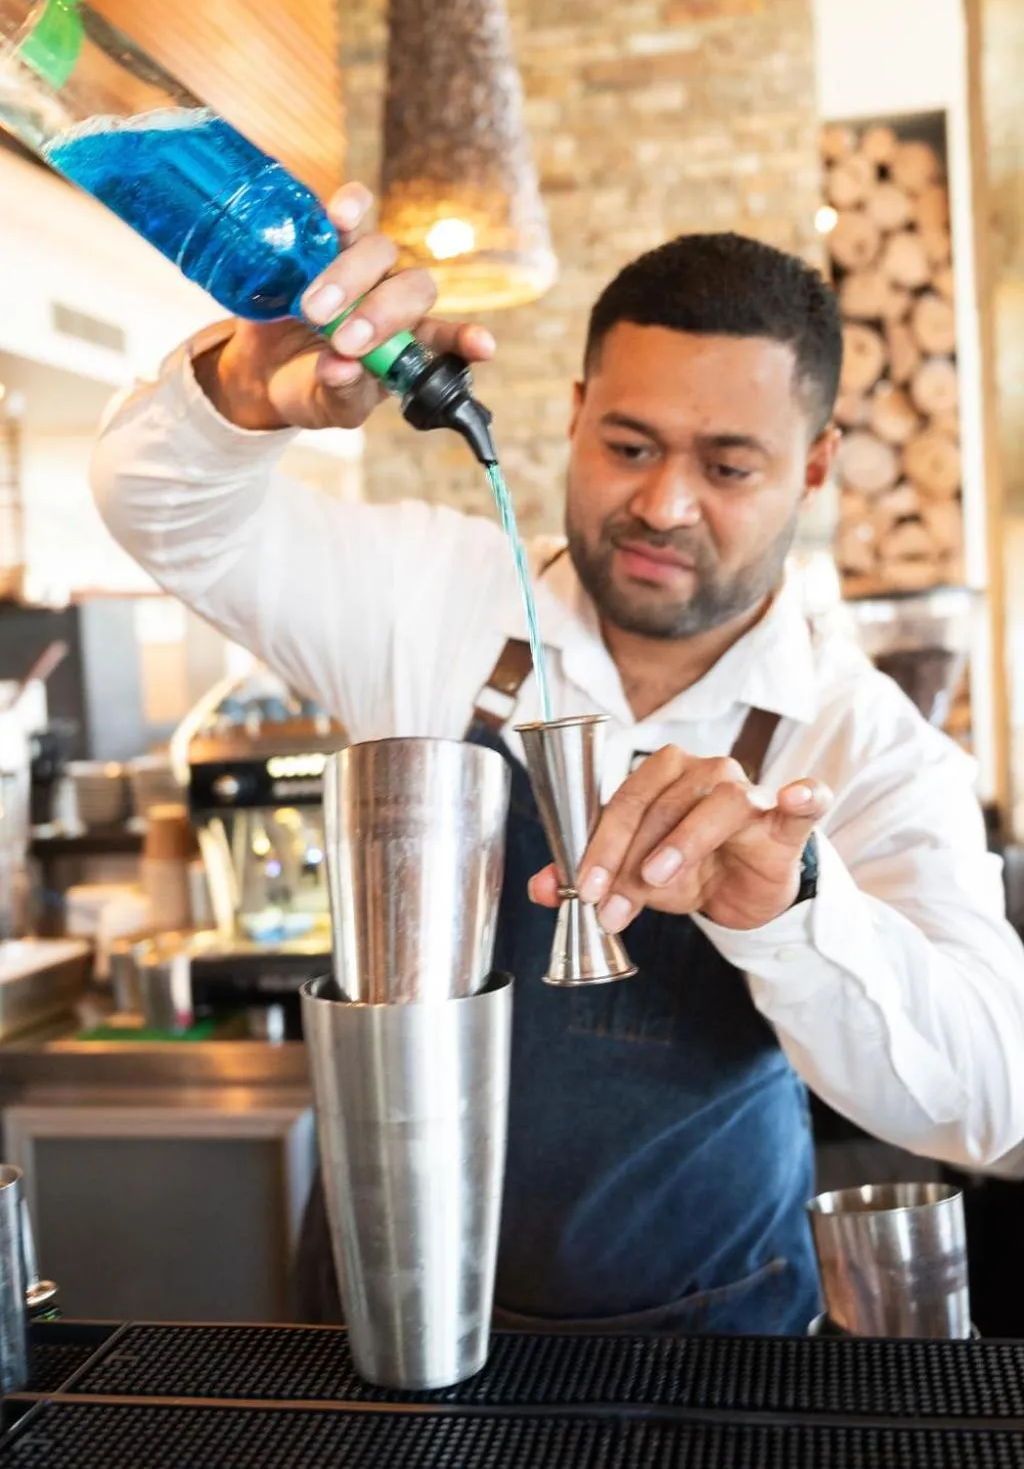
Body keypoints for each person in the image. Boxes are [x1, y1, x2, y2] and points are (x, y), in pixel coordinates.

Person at [92, 183, 1024, 1336]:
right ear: (577, 411)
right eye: (628, 445)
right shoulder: (428, 597)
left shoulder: (865, 744)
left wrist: (792, 906)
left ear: (816, 465)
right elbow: (158, 507)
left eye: (729, 467)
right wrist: (243, 389)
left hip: (713, 1354)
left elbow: (991, 1100)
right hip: (381, 1323)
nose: (664, 504)